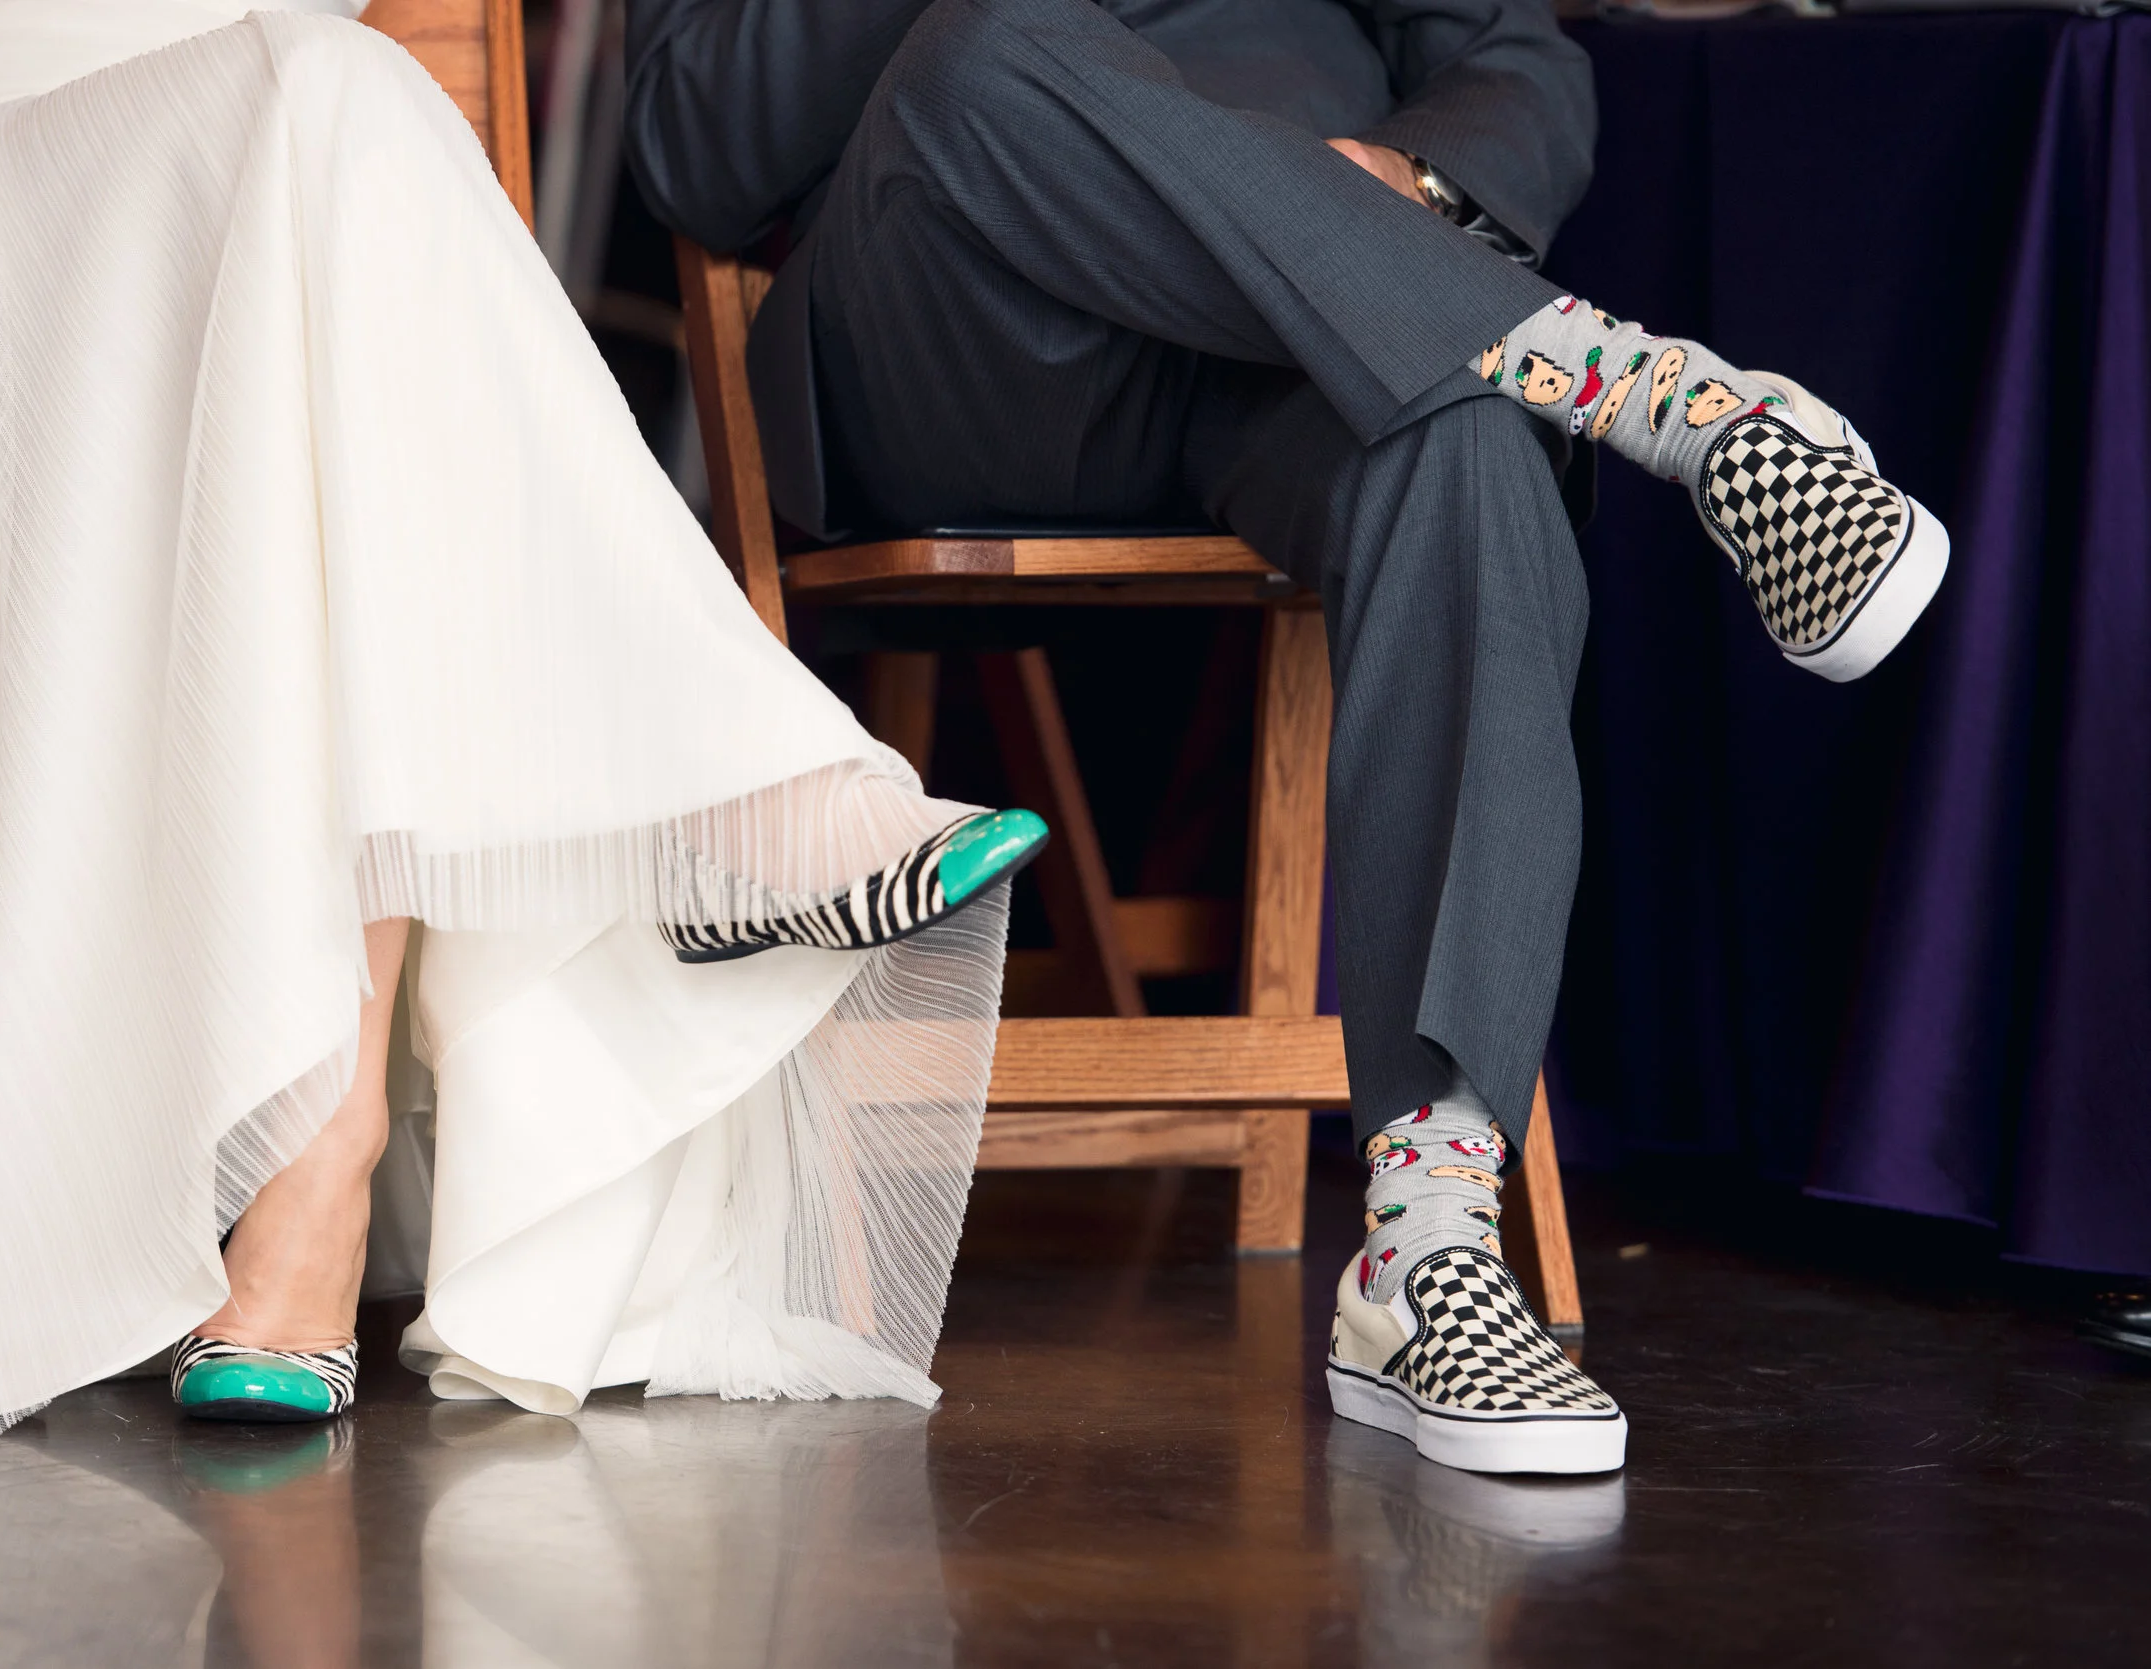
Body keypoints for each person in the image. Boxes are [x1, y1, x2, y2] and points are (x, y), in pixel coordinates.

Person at [0, 0, 1049, 1437]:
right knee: (330, 100)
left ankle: (323, 1147)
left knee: (329, 132)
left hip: (274, 200)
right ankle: (715, 814)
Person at [624, 0, 1951, 1476]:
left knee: (1465, 448)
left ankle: (1427, 1248)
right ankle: (1667, 403)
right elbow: (691, 147)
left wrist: (1410, 185)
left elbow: (1520, 62)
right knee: (981, 50)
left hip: (1294, 329)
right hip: (971, 330)